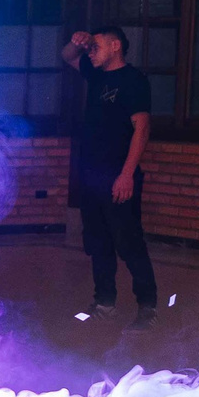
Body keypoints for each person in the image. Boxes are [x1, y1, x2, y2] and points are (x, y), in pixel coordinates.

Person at [60, 24, 157, 324]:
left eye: (97, 46)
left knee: (128, 242)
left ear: (116, 46)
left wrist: (126, 175)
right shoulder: (96, 73)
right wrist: (79, 42)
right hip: (91, 175)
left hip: (118, 175)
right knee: (98, 241)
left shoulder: (134, 80)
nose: (91, 51)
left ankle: (148, 307)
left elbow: (142, 129)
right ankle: (104, 302)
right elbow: (67, 56)